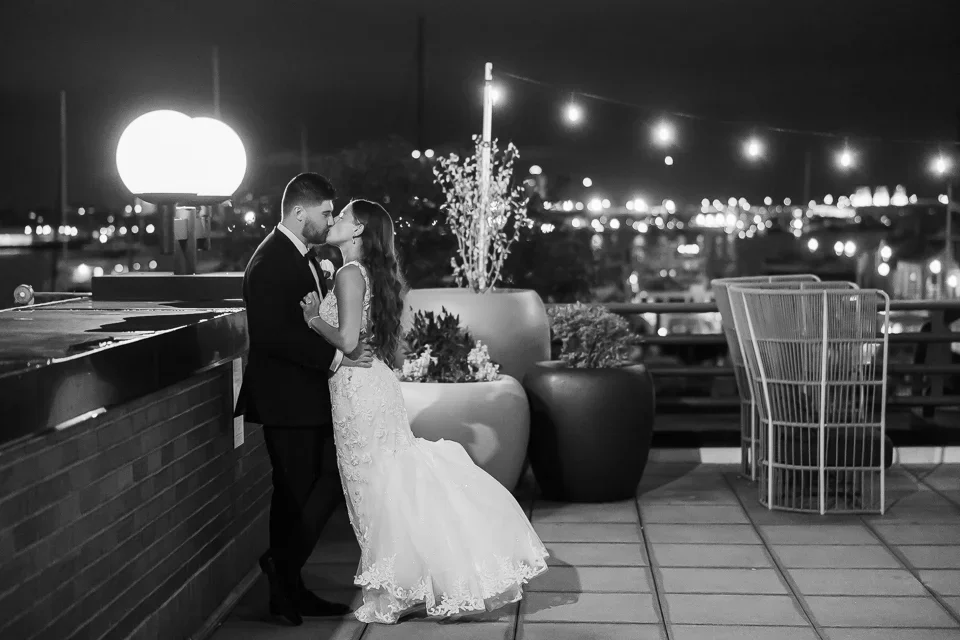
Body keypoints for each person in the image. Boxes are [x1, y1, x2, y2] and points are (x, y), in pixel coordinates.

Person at [299, 198, 548, 624]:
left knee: (374, 486)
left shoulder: (347, 274)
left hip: (360, 391)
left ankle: (392, 590)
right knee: (381, 482)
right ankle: (398, 583)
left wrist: (311, 318)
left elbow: (346, 340)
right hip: (368, 384)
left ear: (358, 229)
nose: (335, 220)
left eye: (342, 216)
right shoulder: (368, 274)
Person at [236, 173, 374, 627]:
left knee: (301, 493)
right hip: (286, 401)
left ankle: (289, 585)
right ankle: (283, 575)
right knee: (298, 492)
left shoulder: (306, 257)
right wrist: (339, 359)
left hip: (307, 398)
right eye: (326, 212)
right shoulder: (271, 260)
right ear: (300, 212)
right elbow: (276, 337)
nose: (330, 218)